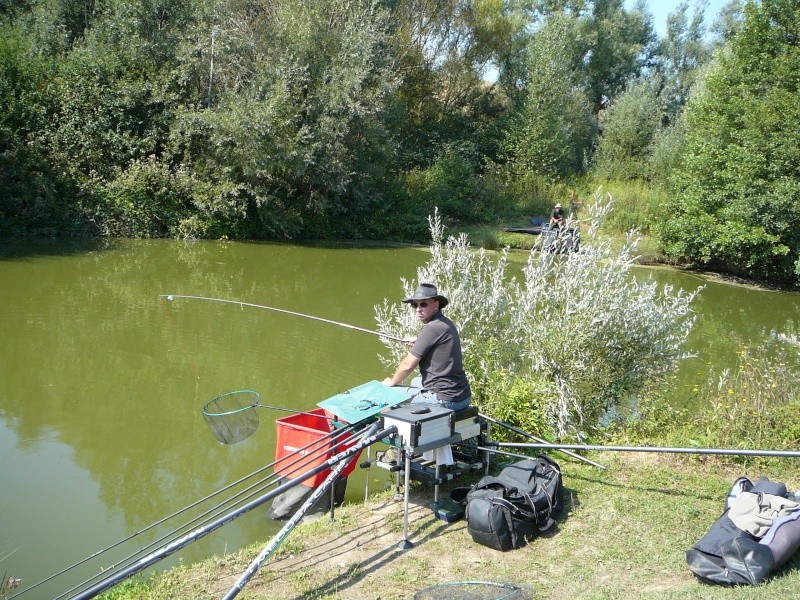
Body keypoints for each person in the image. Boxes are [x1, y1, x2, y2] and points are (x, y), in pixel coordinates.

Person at [382, 283, 471, 411]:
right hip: (462, 395)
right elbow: (437, 342)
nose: (418, 309)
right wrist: (419, 340)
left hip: (445, 400)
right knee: (415, 382)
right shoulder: (445, 323)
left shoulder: (431, 328)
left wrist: (390, 383)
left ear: (435, 305)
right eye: (415, 304)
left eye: (423, 304)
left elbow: (408, 365)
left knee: (390, 394)